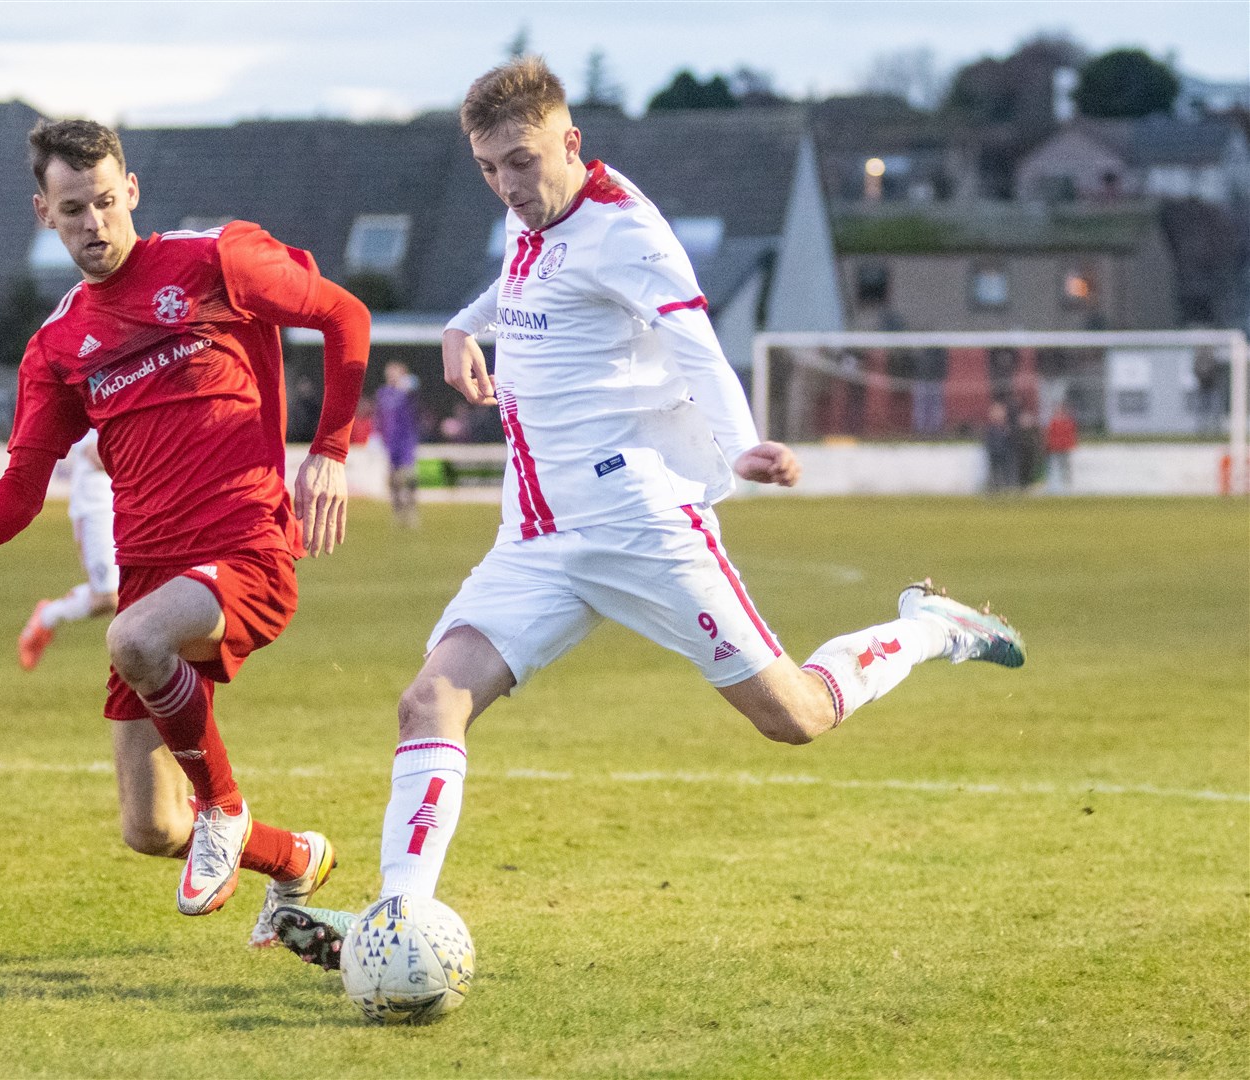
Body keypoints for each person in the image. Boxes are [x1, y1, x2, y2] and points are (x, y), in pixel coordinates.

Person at [270, 56, 1026, 967]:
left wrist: (741, 442)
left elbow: (695, 343)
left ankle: (930, 629)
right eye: (488, 168)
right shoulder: (538, 215)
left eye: (521, 161)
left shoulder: (628, 232)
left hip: (640, 524)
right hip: (536, 539)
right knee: (430, 699)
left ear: (570, 143)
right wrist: (462, 325)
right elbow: (524, 276)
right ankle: (396, 923)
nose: (507, 186)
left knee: (794, 715)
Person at [0, 118, 370, 944]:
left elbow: (345, 316)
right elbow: (22, 489)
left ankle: (226, 806)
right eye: (74, 209)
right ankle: (294, 861)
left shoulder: (214, 261)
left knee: (134, 641)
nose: (95, 224)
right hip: (152, 575)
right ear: (45, 211)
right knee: (149, 829)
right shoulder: (57, 346)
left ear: (131, 191)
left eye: (107, 202)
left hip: (243, 547)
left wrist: (327, 451)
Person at [18, 428, 119, 670]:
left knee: (142, 585)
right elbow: (96, 455)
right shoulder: (94, 396)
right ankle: (46, 617)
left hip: (127, 502)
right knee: (106, 598)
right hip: (98, 509)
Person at [375, 360, 422, 527]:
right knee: (394, 479)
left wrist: (406, 383)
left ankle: (412, 509)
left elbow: (415, 388)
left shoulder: (406, 391)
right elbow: (379, 417)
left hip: (406, 440)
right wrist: (376, 436)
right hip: (390, 441)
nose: (391, 375)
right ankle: (397, 511)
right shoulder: (383, 393)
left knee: (410, 476)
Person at [1044, 402, 1078, 494]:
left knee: (1065, 468)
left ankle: (1067, 486)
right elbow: (1049, 435)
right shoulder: (1053, 423)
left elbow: (1071, 435)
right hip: (1055, 449)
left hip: (1064, 448)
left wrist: (1071, 445)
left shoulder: (1067, 422)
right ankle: (1054, 487)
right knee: (1055, 468)